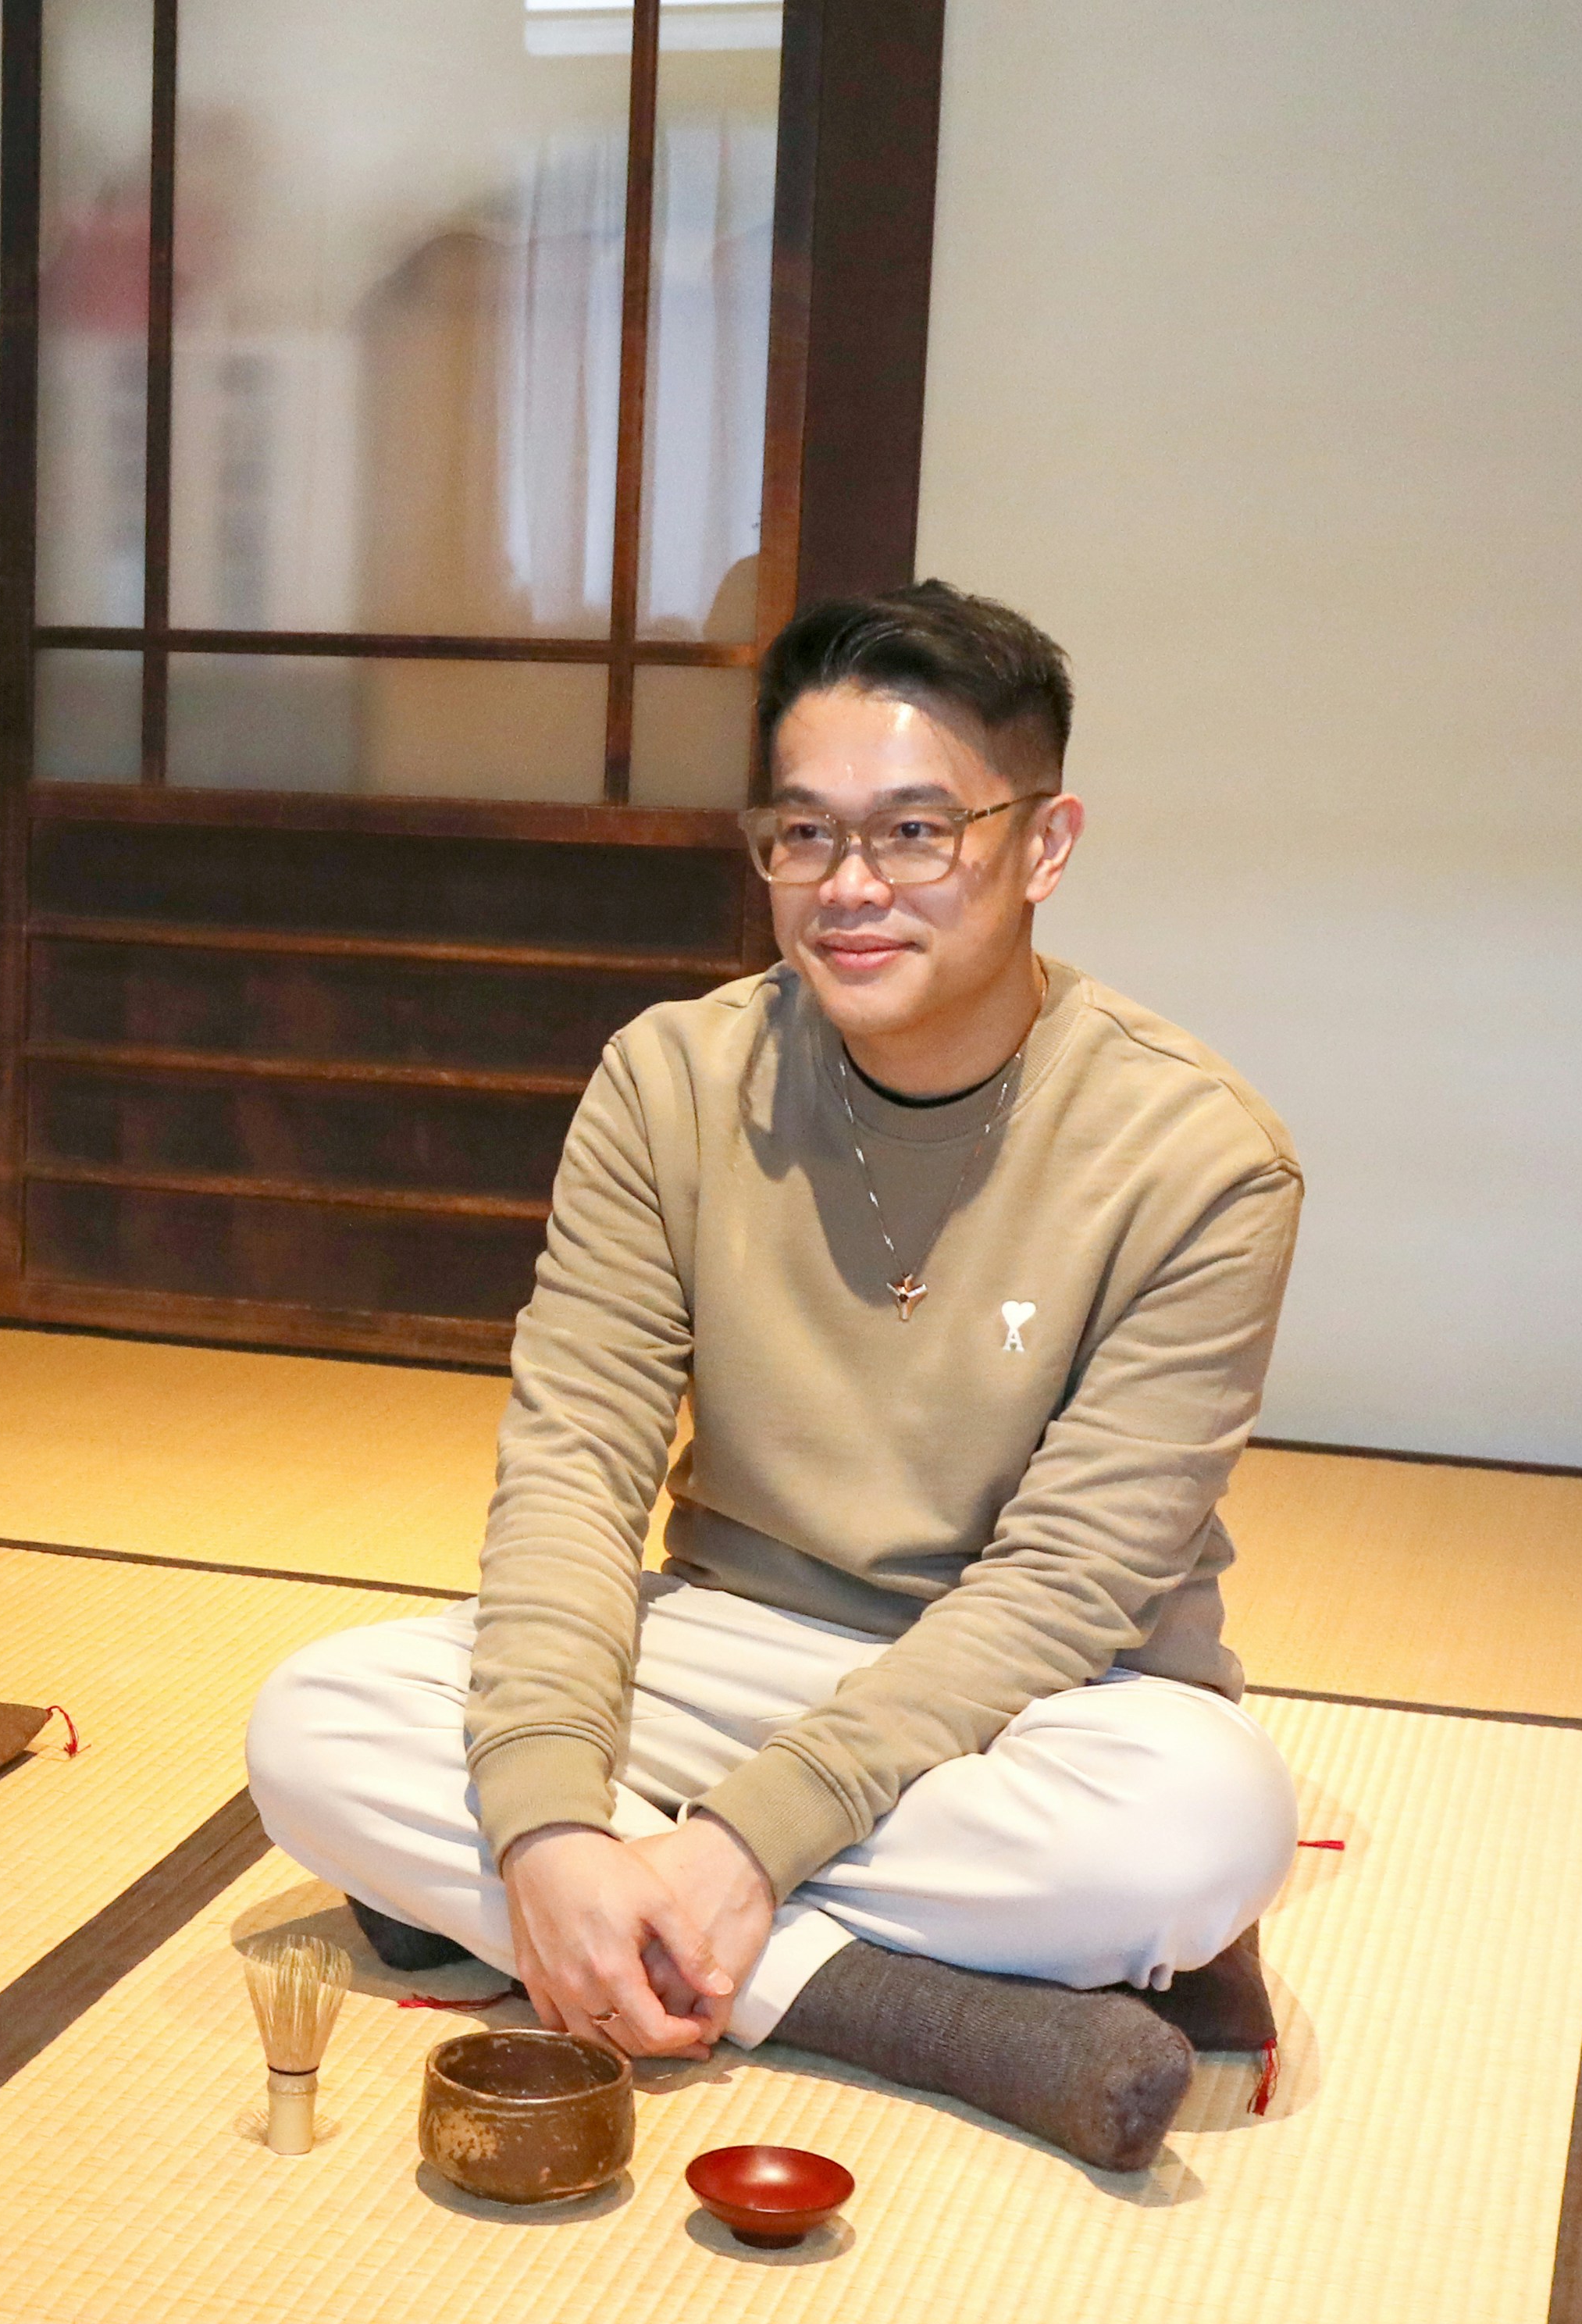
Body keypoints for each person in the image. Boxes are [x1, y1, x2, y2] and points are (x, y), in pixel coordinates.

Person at [244, 581, 1303, 2172]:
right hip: (726, 1646)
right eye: (800, 836)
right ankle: (909, 2011)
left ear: (1043, 844)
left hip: (1040, 1699)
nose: (847, 888)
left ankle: (596, 1921)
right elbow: (571, 1473)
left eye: (912, 833)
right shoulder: (669, 1078)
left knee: (1200, 1831)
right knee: (314, 1723)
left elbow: (1069, 1582)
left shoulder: (1196, 1154)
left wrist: (742, 1836)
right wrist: (542, 1816)